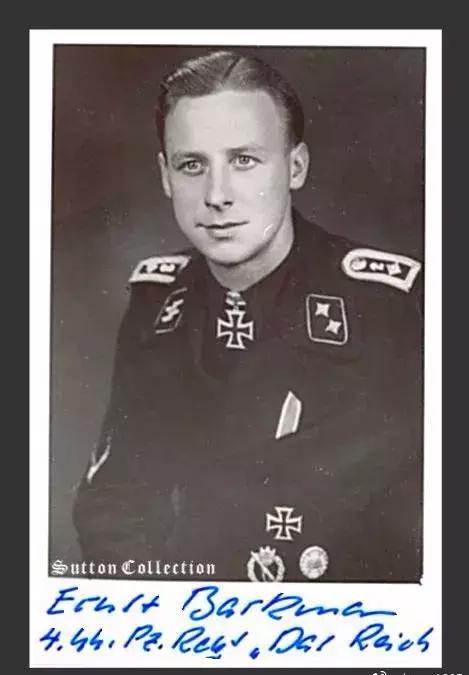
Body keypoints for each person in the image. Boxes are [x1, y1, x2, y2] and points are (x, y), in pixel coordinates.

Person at [73, 50, 423, 582]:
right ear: (165, 176)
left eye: (244, 161)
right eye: (193, 165)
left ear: (295, 168)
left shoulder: (390, 307)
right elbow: (113, 503)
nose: (217, 196)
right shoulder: (156, 303)